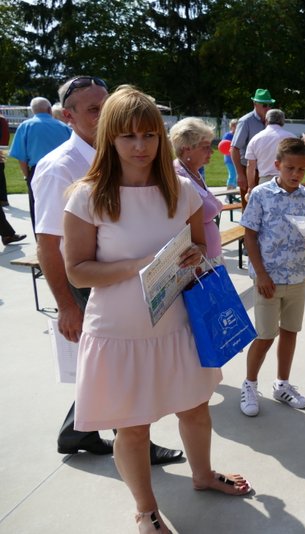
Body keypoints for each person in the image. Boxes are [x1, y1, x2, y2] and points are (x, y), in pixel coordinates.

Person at [63, 86, 250, 532]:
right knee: (133, 428)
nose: (140, 146)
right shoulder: (88, 196)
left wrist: (193, 256)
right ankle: (146, 510)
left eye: (149, 135)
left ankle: (202, 475)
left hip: (178, 324)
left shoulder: (180, 190)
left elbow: (201, 244)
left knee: (196, 408)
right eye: (128, 136)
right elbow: (78, 272)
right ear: (109, 137)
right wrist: (140, 265)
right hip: (120, 334)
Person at [32, 76, 182, 464]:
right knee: (120, 370)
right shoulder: (60, 167)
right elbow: (47, 243)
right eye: (93, 109)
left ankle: (79, 430)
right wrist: (66, 305)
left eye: (106, 104)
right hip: (89, 279)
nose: (104, 115)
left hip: (125, 274)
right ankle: (135, 443)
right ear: (68, 116)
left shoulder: (116, 153)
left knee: (111, 369)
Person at [239, 137, 305, 416]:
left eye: (301, 169)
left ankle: (282, 384)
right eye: (290, 168)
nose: (296, 174)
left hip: (297, 277)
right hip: (269, 280)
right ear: (277, 165)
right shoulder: (261, 194)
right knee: (265, 335)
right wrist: (261, 274)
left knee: (290, 331)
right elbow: (250, 235)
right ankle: (250, 384)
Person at [8, 96, 71, 232]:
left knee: (37, 208)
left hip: (37, 170)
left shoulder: (25, 126)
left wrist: (27, 176)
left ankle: (41, 239)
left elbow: (22, 157)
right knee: (64, 205)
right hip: (63, 168)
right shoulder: (63, 127)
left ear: (33, 111)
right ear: (49, 110)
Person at [169, 117, 224, 265]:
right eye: (205, 147)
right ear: (186, 148)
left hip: (210, 258)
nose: (211, 152)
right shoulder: (178, 176)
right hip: (196, 264)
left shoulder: (193, 172)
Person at [231, 88, 275, 202]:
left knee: (267, 207)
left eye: (270, 105)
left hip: (266, 170)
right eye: (264, 105)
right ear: (255, 104)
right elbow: (234, 148)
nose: (268, 108)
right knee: (249, 207)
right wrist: (240, 174)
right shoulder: (245, 121)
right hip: (249, 170)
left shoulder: (272, 121)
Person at [244, 109, 295, 194]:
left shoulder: (255, 139)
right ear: (283, 121)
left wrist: (251, 186)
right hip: (287, 180)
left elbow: (250, 165)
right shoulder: (291, 138)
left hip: (265, 181)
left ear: (266, 120)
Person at [223, 118, 238, 198]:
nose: (238, 128)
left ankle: (233, 194)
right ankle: (229, 194)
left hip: (235, 158)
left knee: (235, 176)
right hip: (229, 159)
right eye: (236, 126)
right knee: (232, 175)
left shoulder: (237, 135)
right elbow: (224, 146)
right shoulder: (228, 135)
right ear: (232, 127)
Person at [1, 112, 9, 206]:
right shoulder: (3, 120)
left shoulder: (2, 120)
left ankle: (3, 199)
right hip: (3, 148)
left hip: (1, 148)